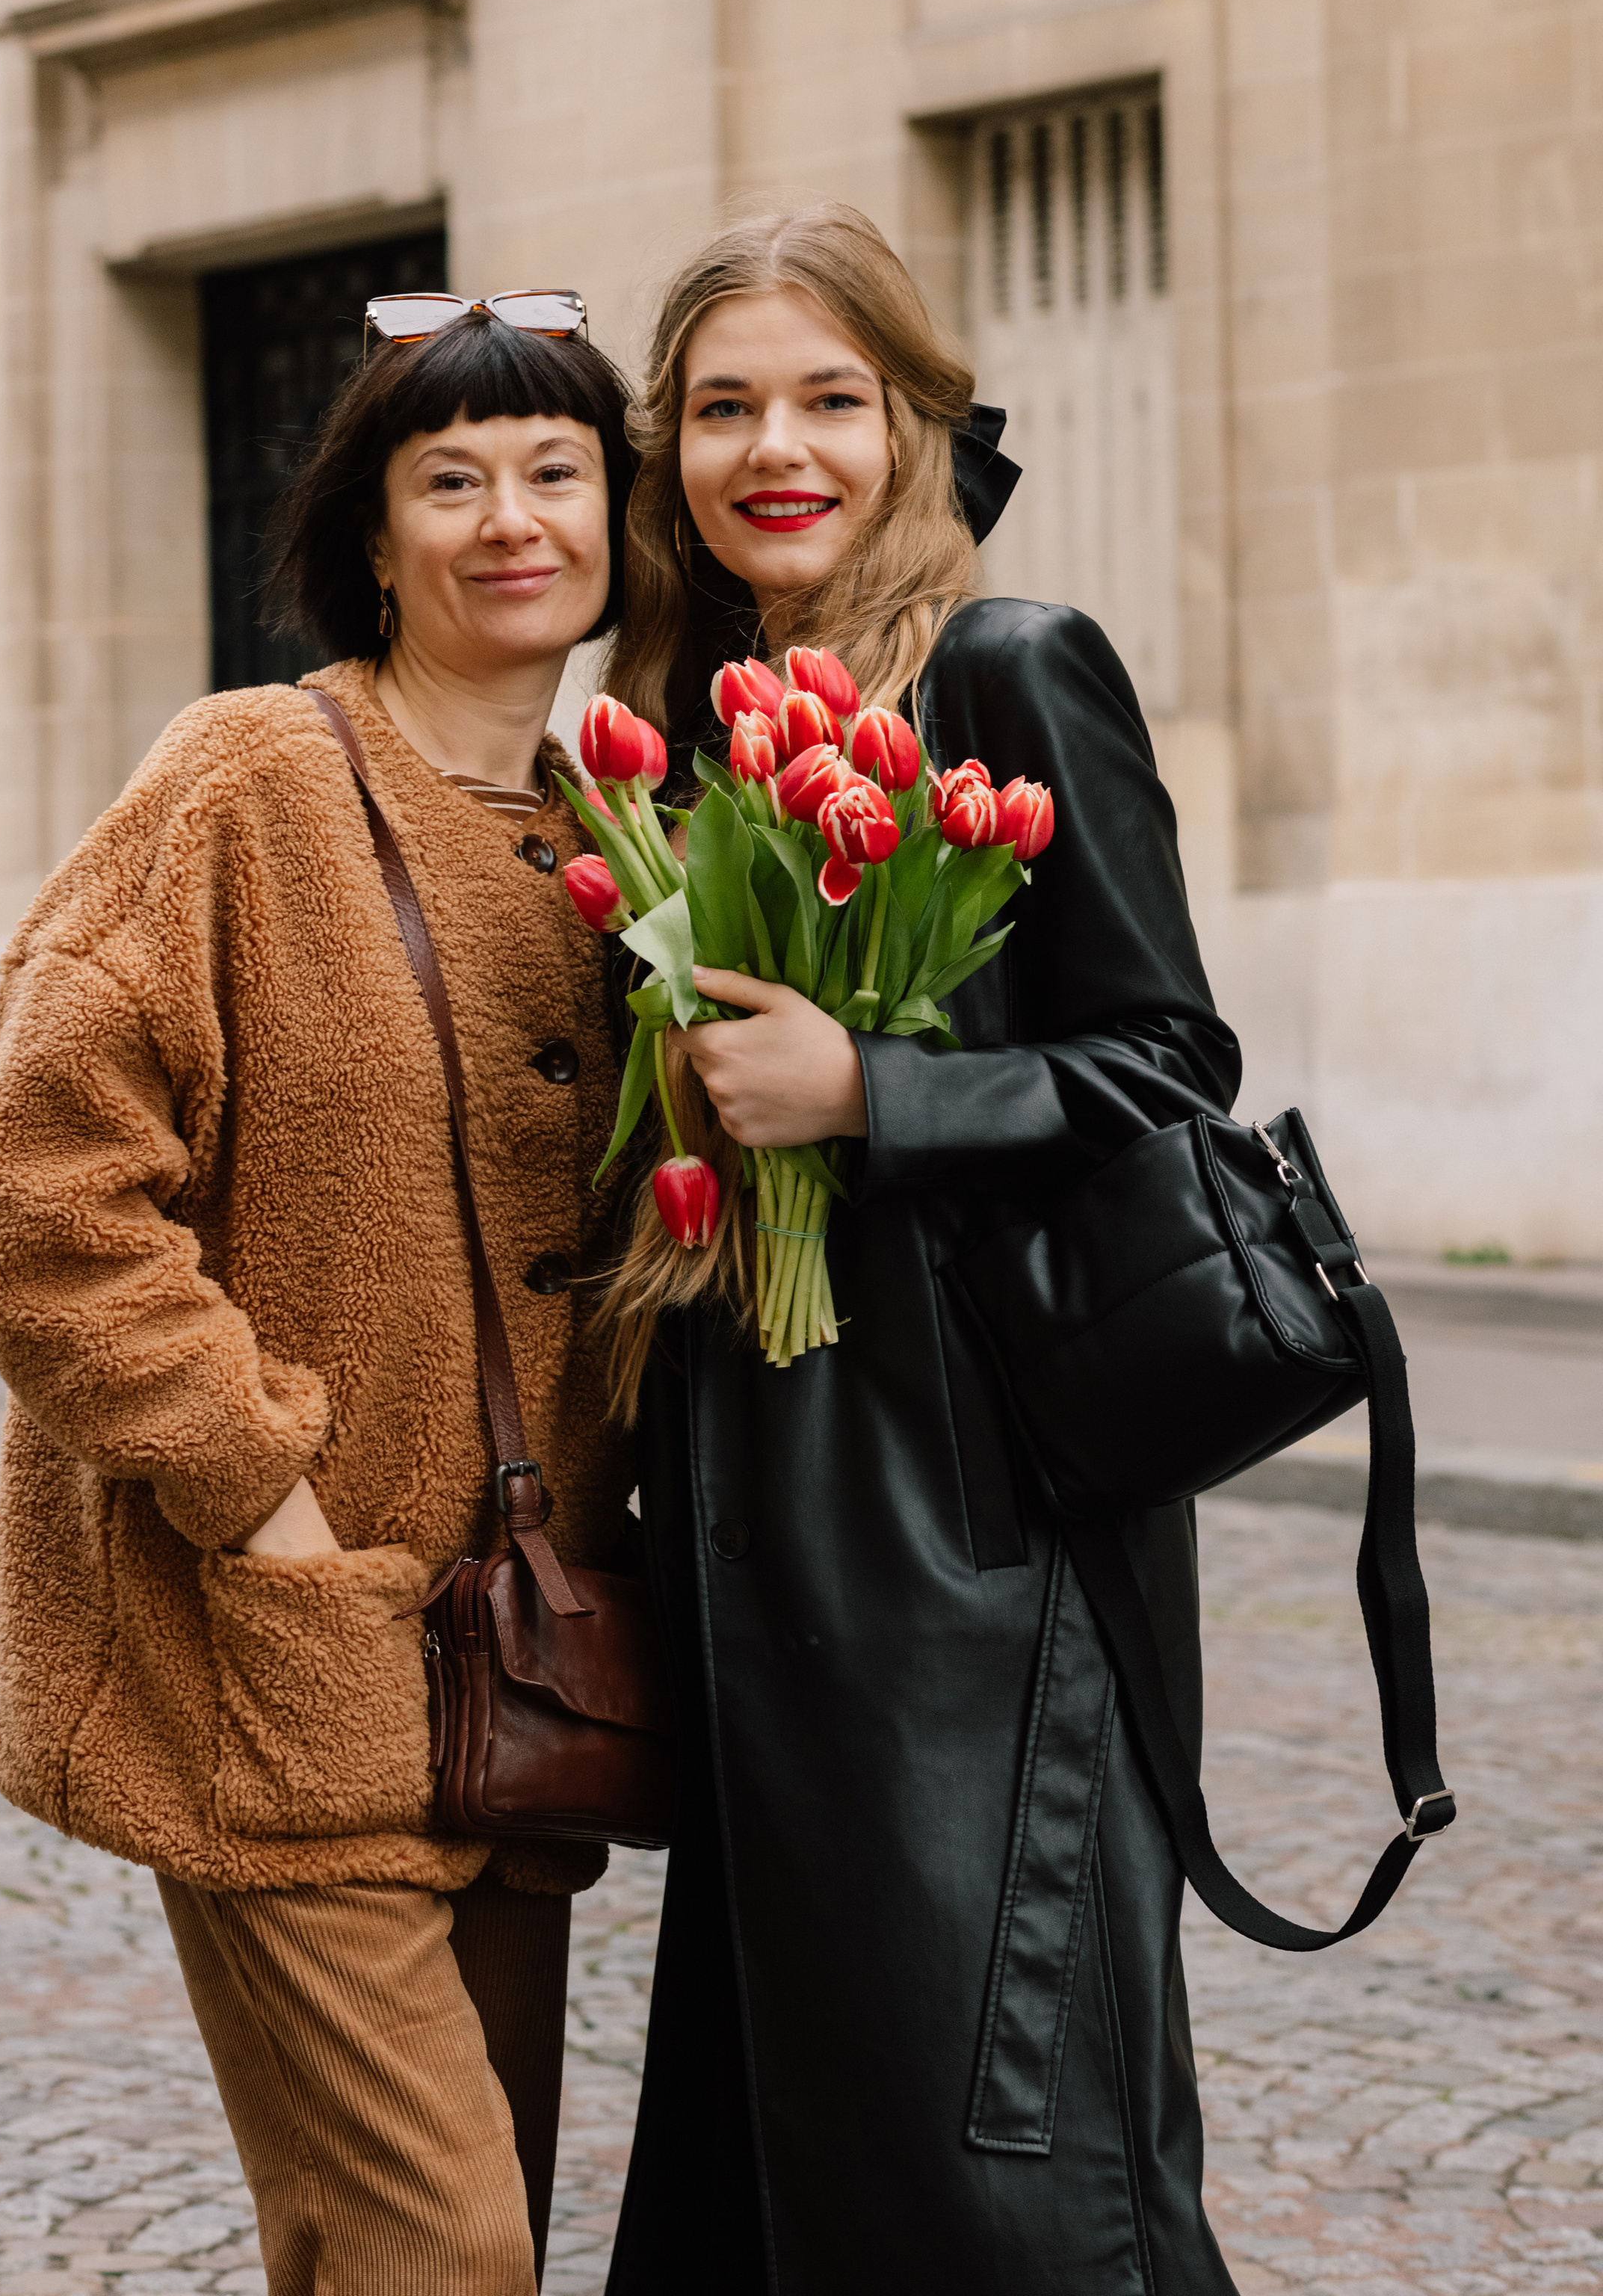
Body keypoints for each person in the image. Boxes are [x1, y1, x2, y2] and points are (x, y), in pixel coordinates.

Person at [0, 294, 639, 2296]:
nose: (509, 517)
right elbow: (45, 1196)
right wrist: (269, 1507)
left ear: (617, 522)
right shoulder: (248, 778)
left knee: (406, 2228)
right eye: (453, 479)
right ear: (374, 534)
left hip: (522, 1680)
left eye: (554, 472)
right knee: (445, 2251)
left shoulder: (635, 838)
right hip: (279, 1653)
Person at [599, 207, 1244, 2295]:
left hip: (980, 1550)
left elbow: (1170, 1073)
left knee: (1006, 2179)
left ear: (916, 424)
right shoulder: (685, 719)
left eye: (827, 399)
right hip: (751, 1537)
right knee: (791, 2165)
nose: (773, 447)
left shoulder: (1005, 667)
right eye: (721, 408)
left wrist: (879, 1095)